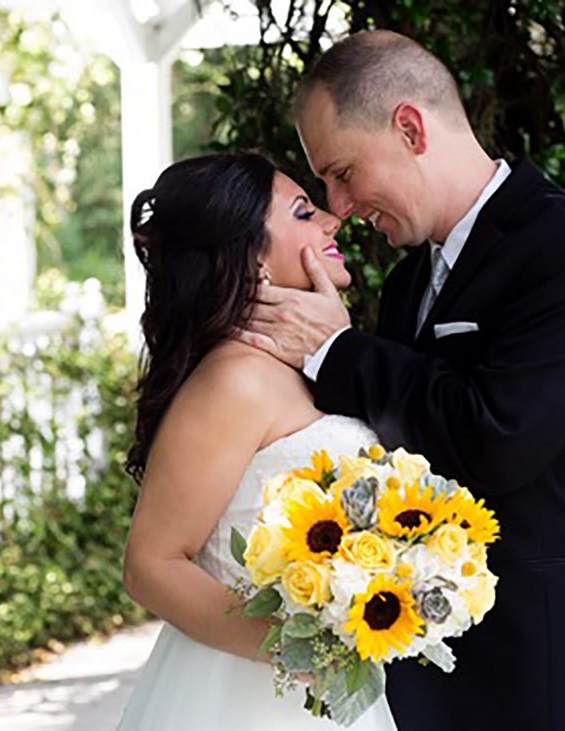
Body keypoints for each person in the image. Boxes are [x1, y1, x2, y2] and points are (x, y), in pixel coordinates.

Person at [239, 30, 565, 731]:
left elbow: (495, 438)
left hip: (555, 673)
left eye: (343, 173)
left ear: (410, 127)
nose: (339, 204)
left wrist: (340, 350)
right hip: (432, 675)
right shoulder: (409, 283)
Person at [117, 152, 397, 730]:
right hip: (250, 697)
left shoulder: (300, 365)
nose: (330, 220)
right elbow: (151, 563)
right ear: (252, 259)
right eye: (303, 211)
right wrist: (296, 650)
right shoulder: (235, 380)